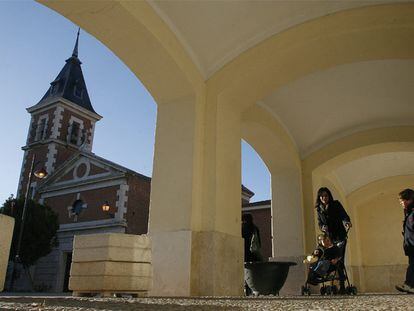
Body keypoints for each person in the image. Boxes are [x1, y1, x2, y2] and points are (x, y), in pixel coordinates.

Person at [315, 187, 352, 293]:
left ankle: (342, 286)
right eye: (321, 196)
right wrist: (322, 227)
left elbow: (343, 215)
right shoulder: (319, 209)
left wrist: (346, 221)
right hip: (329, 240)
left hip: (340, 236)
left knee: (339, 259)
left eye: (326, 195)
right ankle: (326, 280)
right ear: (319, 197)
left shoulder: (336, 204)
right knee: (328, 260)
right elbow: (320, 223)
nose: (324, 198)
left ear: (329, 196)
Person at [396, 188, 414, 294]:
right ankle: (410, 285)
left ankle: (408, 284)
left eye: (402, 201)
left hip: (412, 244)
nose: (401, 203)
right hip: (410, 245)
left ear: (409, 200)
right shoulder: (409, 212)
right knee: (412, 264)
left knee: (413, 265)